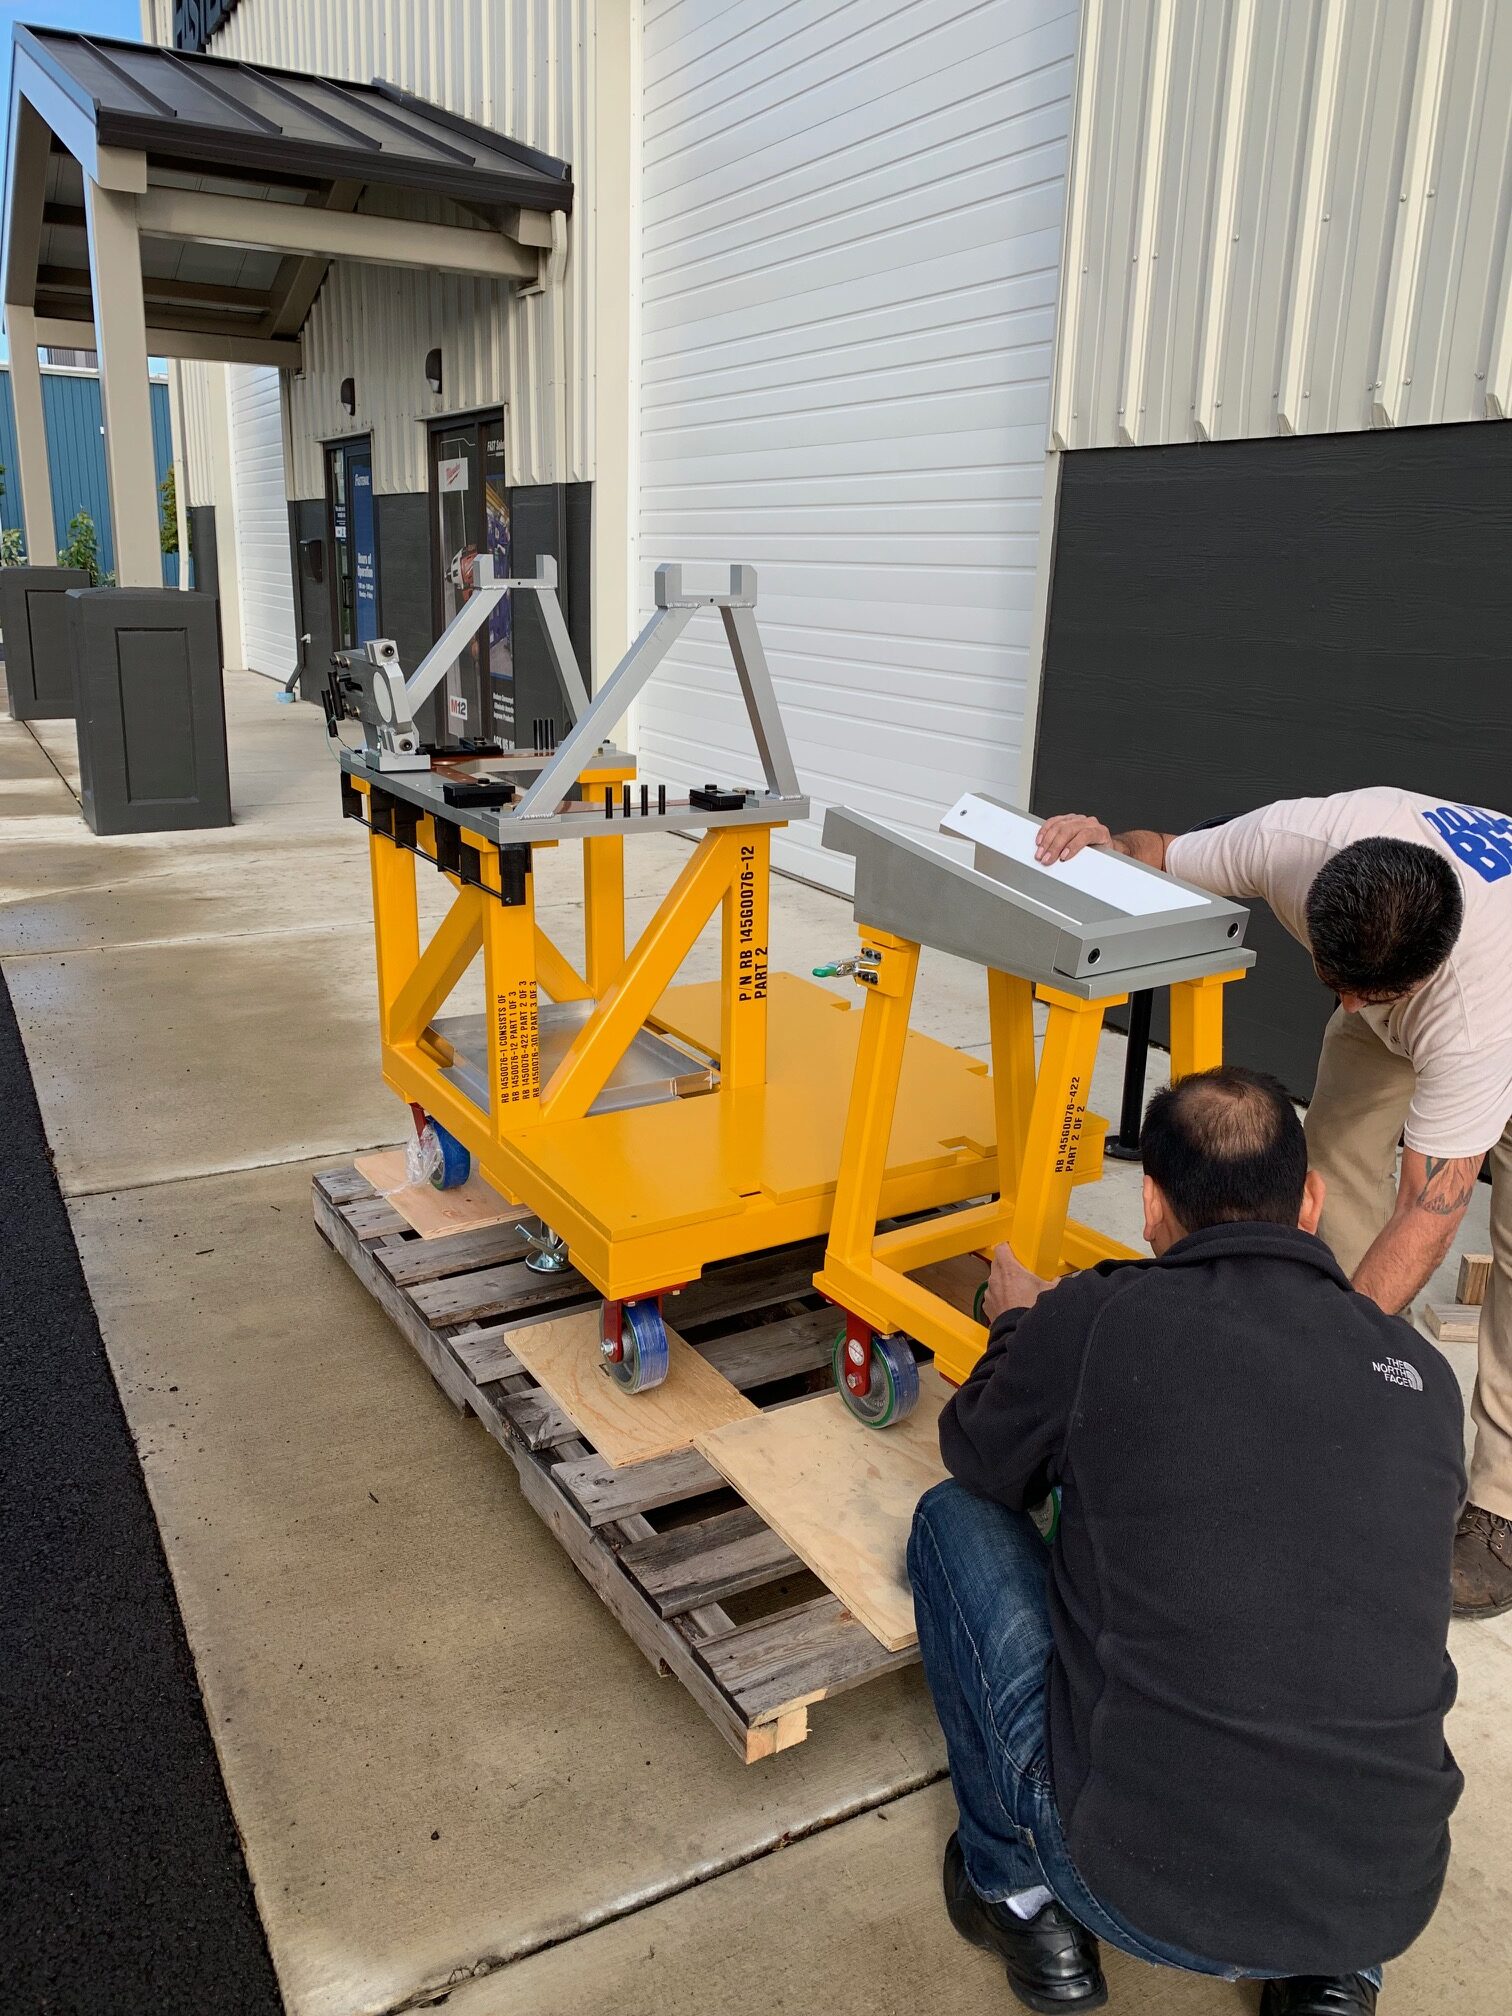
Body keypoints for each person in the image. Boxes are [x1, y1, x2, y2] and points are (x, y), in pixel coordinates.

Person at [909, 1067, 1462, 2015]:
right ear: (1312, 1200)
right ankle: (1329, 1976)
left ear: (1151, 1202)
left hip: (1129, 1887)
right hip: (1383, 1897)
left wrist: (1015, 1328)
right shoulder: (1416, 1373)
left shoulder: (1101, 1317)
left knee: (951, 1523)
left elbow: (980, 1455)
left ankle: (1027, 1901)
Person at [1034, 790, 1511, 1619]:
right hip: (1425, 992)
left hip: (1492, 1002)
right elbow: (1162, 845)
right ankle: (1357, 1387)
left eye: (1378, 992)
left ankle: (1502, 1506)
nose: (1354, 1005)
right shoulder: (1291, 843)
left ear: (1422, 972)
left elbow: (1428, 1217)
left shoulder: (1469, 1015)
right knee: (1328, 1165)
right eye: (1341, 984)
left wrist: (1308, 1374)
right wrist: (1105, 841)